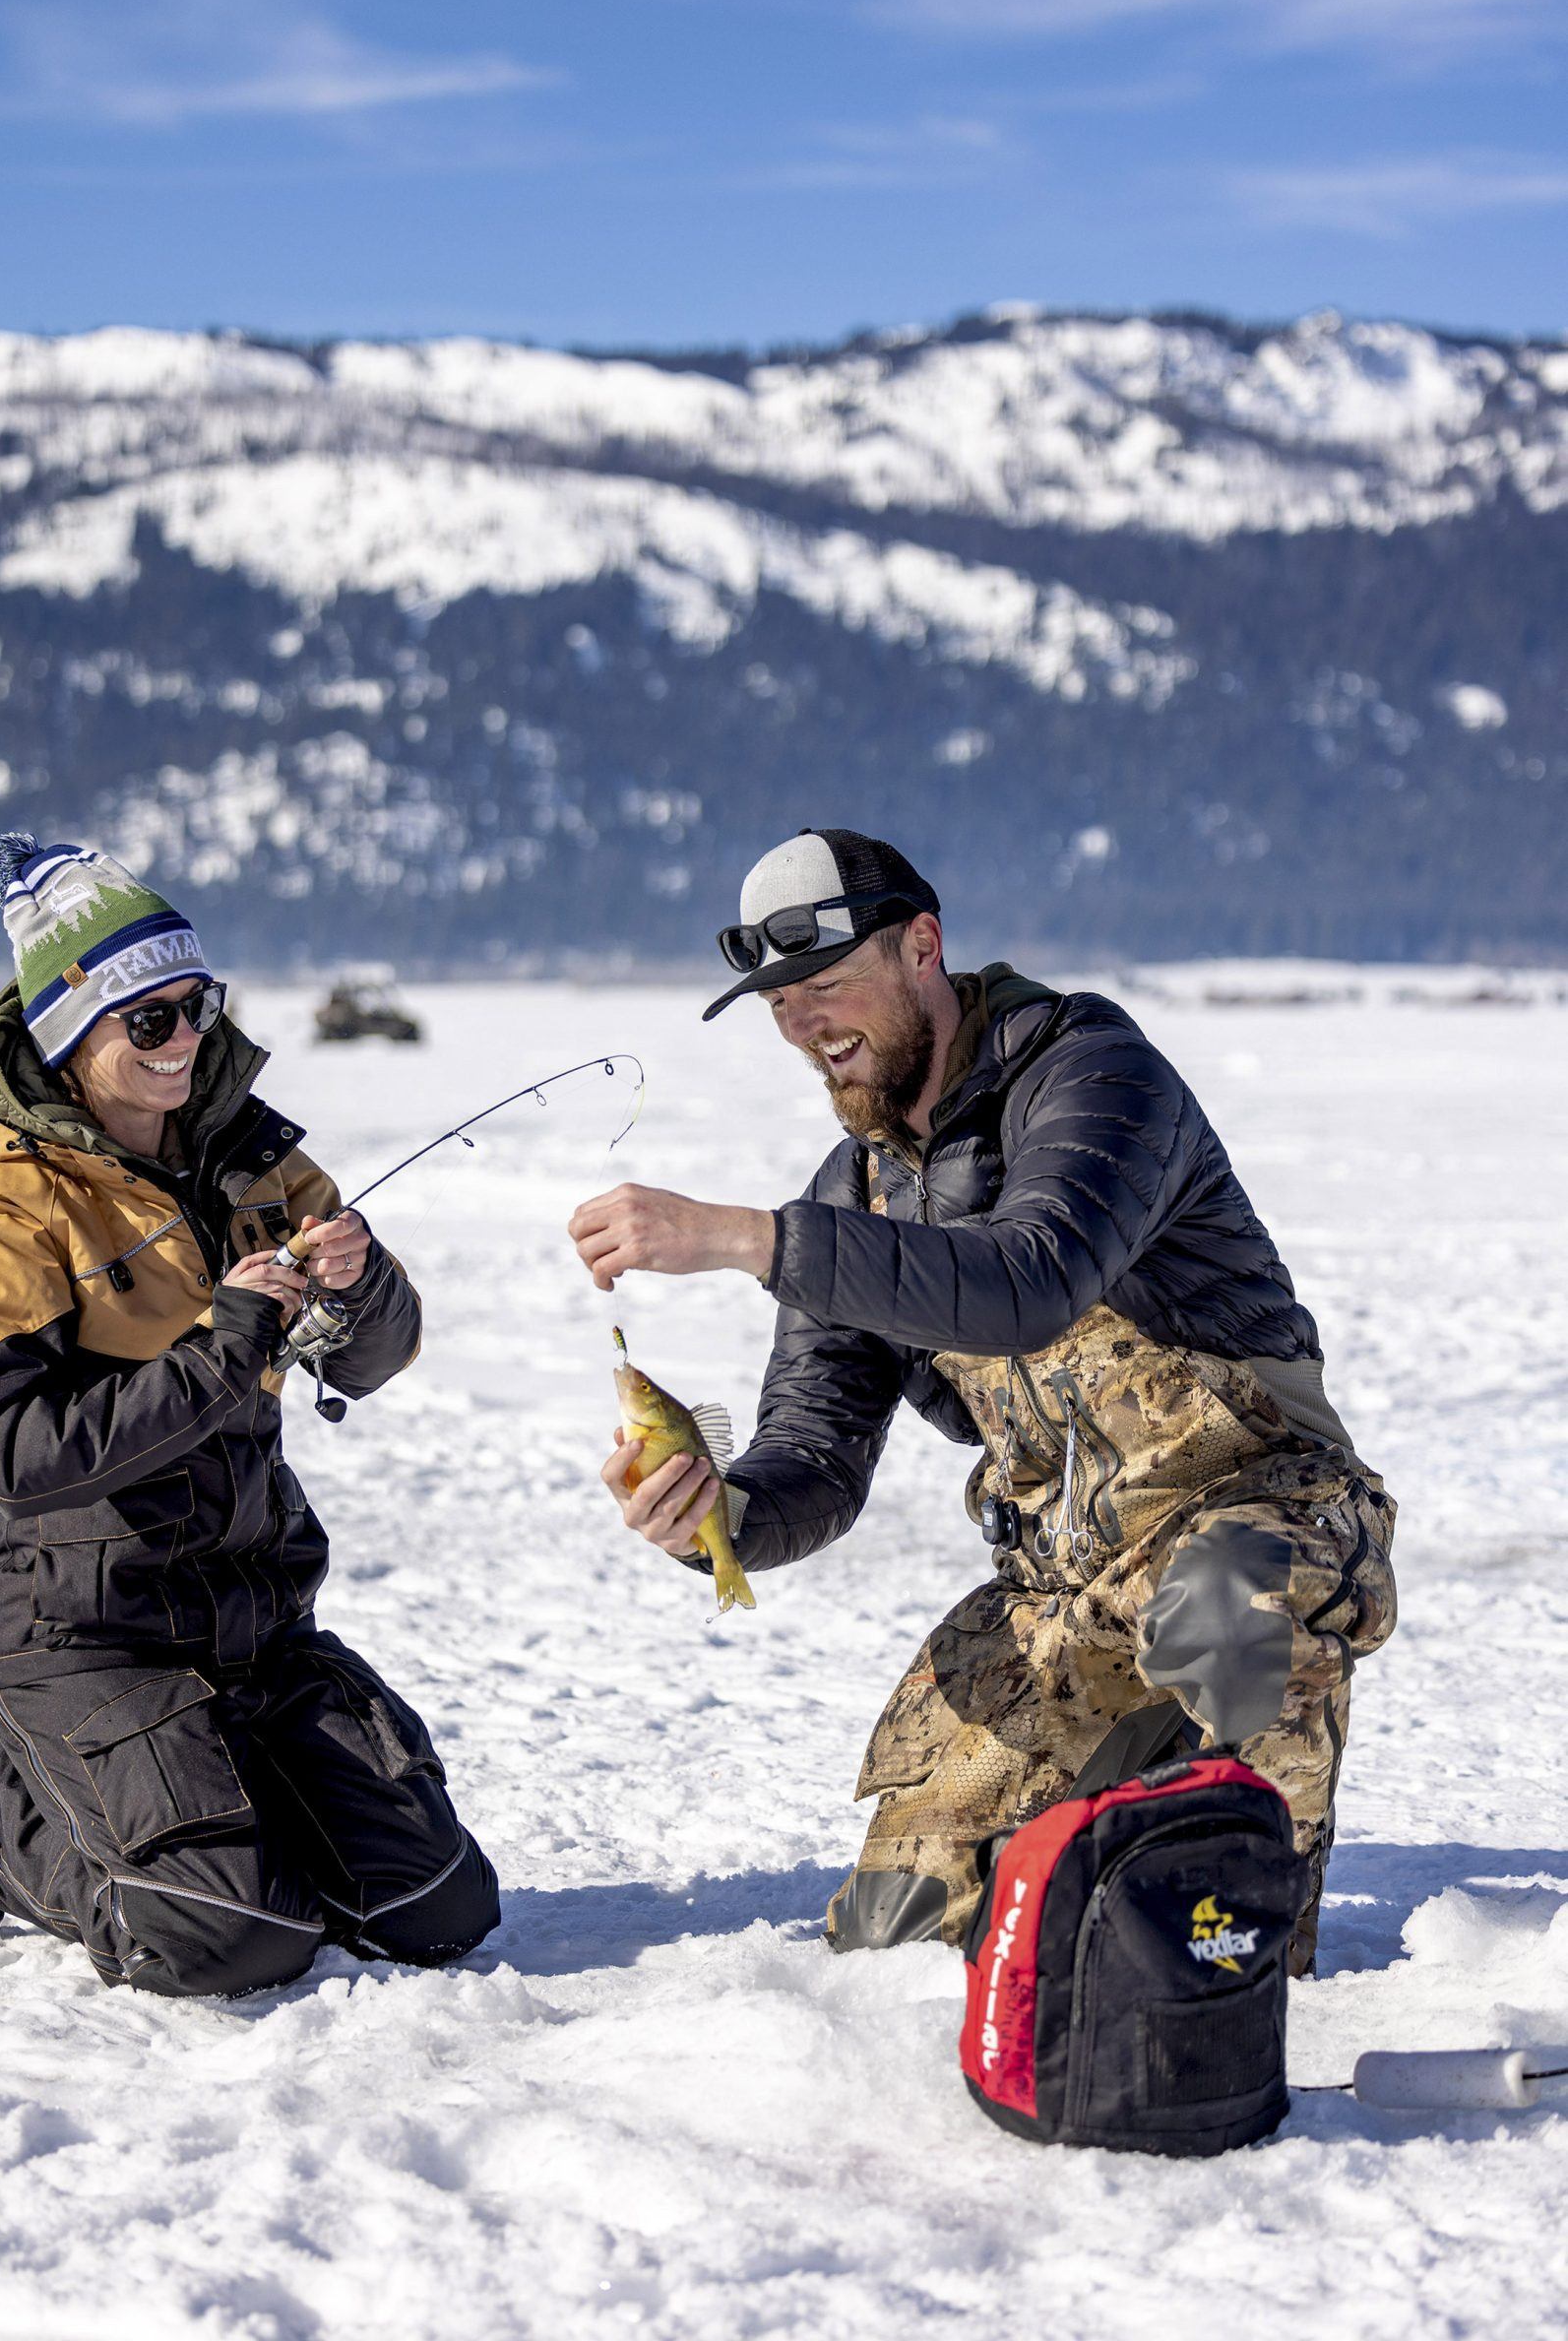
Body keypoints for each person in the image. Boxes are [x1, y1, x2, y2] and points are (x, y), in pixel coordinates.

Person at [570, 828, 1396, 1973]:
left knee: (1221, 1617)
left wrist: (742, 1239)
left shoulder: (1092, 1076)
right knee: (892, 1944)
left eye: (826, 984)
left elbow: (1030, 1279)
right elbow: (812, 1454)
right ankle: (1130, 1793)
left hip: (1258, 1517)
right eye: (779, 1002)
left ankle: (1236, 1958)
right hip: (1061, 1589)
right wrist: (714, 1517)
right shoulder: (849, 1195)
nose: (806, 1026)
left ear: (922, 947)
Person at [0, 833, 498, 1996]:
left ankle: (204, 1801)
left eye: (198, 1006)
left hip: (255, 1620)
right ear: (74, 1033)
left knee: (436, 1909)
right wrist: (225, 1344)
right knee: (225, 1939)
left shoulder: (256, 1159)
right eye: (152, 1021)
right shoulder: (6, 1210)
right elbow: (11, 1453)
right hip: (86, 1629)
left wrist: (361, 1285)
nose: (186, 1041)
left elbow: (376, 1357)